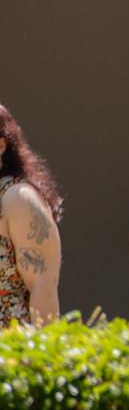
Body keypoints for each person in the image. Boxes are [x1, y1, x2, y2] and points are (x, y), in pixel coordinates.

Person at [0, 104, 62, 326]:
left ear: (1, 146)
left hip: (10, 353)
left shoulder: (18, 199)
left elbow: (43, 285)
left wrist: (44, 357)